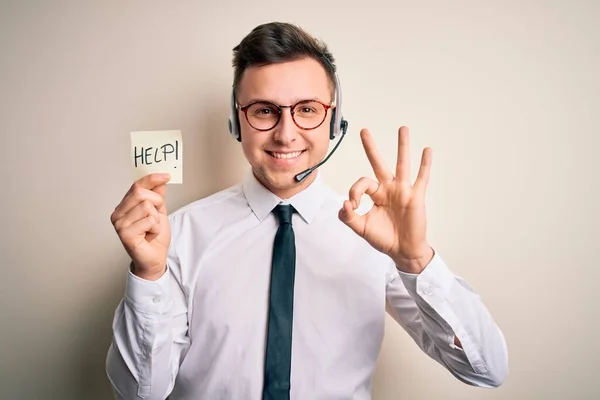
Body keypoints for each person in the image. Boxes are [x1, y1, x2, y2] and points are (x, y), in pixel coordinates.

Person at [106, 22, 508, 400]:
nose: (286, 133)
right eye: (264, 110)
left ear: (332, 120)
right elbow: (142, 392)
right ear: (236, 122)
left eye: (307, 109)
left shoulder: (377, 237)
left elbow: (485, 369)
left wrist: (417, 260)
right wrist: (149, 276)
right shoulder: (177, 234)